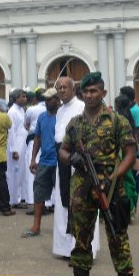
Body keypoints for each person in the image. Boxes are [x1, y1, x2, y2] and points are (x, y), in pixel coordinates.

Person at [58, 72, 137, 276]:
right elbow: (63, 150)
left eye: (94, 91)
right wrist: (72, 158)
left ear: (103, 93)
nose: (90, 95)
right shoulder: (75, 123)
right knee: (81, 239)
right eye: (86, 91)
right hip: (82, 186)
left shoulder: (116, 121)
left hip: (111, 187)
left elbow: (130, 153)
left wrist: (114, 177)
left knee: (118, 237)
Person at [53, 75, 89, 258]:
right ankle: (65, 248)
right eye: (59, 88)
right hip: (62, 159)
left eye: (65, 87)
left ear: (73, 89)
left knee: (78, 203)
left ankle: (80, 248)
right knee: (63, 203)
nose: (61, 90)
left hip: (77, 160)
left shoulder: (81, 107)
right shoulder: (60, 110)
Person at [24, 88, 60, 237]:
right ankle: (36, 226)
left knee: (62, 196)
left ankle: (65, 228)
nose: (47, 102)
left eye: (50, 99)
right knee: (38, 194)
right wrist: (33, 159)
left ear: (57, 100)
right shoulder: (42, 117)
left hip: (59, 162)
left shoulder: (62, 116)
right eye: (46, 99)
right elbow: (37, 138)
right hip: (44, 161)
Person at [6, 89, 28, 209]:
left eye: (25, 96)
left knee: (21, 173)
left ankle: (20, 197)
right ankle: (14, 199)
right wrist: (14, 150)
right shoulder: (12, 112)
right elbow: (11, 132)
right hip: (16, 146)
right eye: (22, 97)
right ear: (15, 98)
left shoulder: (22, 110)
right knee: (15, 173)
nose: (25, 99)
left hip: (22, 144)